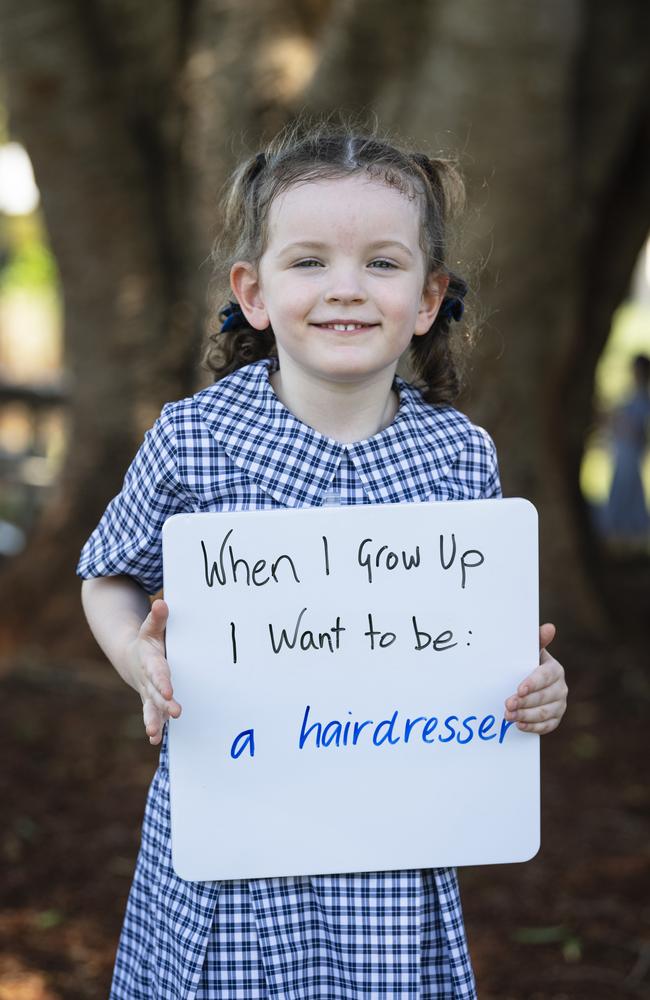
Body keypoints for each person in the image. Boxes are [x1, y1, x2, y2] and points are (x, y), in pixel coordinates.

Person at [78, 120, 568, 999]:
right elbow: (107, 572)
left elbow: (481, 643)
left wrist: (535, 685)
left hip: (389, 857)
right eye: (308, 261)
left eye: (382, 263)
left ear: (427, 298)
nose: (346, 289)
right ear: (253, 291)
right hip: (231, 853)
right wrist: (137, 658)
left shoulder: (461, 458)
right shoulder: (195, 440)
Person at [602, 353, 650, 549]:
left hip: (631, 452)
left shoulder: (643, 399)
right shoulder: (631, 395)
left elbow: (638, 429)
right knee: (623, 491)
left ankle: (627, 532)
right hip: (622, 451)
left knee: (627, 491)